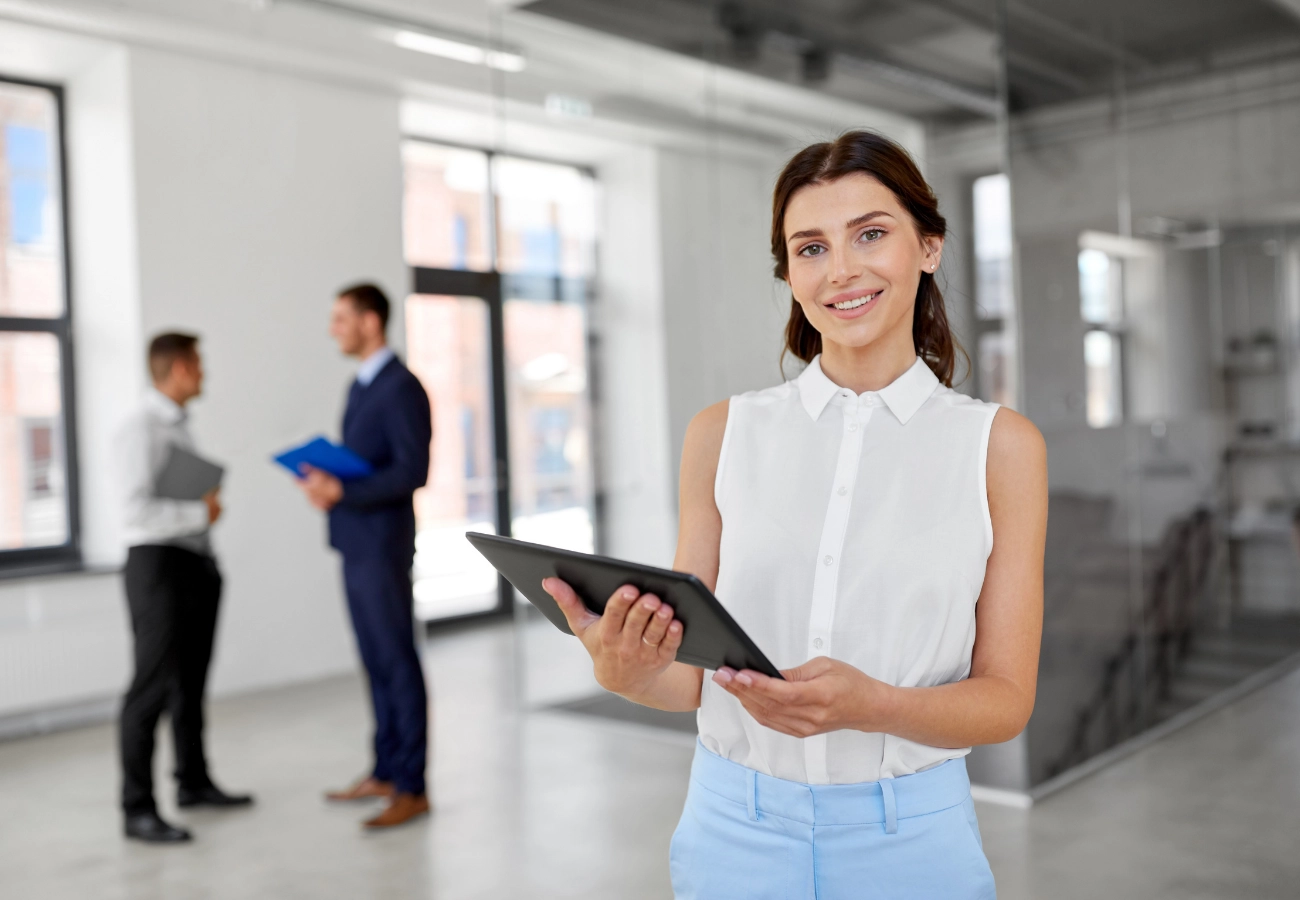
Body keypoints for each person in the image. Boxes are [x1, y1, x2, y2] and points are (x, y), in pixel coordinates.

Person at [543, 132, 1047, 898]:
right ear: (790, 272)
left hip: (911, 841)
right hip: (731, 830)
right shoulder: (721, 434)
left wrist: (873, 706)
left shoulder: (999, 447)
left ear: (929, 246)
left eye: (871, 234)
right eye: (810, 248)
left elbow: (1005, 700)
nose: (841, 269)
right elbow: (688, 683)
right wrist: (624, 670)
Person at [298, 283, 433, 829]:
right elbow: (365, 464)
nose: (333, 329)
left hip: (382, 547)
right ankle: (384, 769)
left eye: (341, 318)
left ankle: (412, 785)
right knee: (375, 662)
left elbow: (412, 471)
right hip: (355, 544)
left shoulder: (401, 387)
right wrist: (328, 485)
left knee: (397, 662)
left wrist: (344, 492)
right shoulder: (361, 384)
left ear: (371, 322)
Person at [115, 332, 252, 844]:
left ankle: (192, 781)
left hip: (193, 564)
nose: (204, 374)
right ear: (176, 369)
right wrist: (202, 510)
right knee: (149, 689)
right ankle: (137, 808)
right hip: (158, 568)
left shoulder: (178, 426)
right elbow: (133, 511)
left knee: (189, 685)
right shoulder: (139, 427)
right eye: (198, 365)